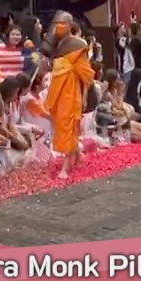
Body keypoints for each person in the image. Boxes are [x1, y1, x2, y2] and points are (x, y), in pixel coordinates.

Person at [41, 11, 94, 179]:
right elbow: (54, 69)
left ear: (70, 25)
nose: (58, 27)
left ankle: (66, 166)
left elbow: (86, 75)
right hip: (56, 92)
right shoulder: (57, 45)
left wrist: (85, 97)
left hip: (71, 92)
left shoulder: (78, 45)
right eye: (56, 23)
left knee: (69, 127)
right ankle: (76, 154)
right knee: (60, 127)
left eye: (62, 23)